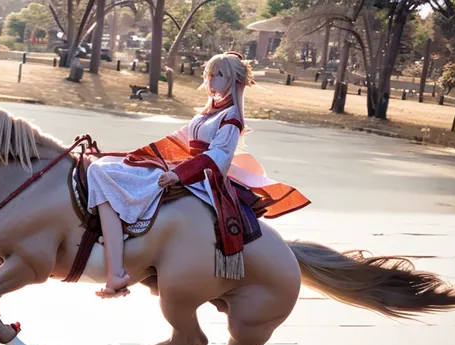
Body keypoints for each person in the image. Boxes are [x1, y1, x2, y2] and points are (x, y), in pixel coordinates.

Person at [86, 51, 309, 299]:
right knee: (104, 166)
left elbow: (218, 157)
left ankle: (116, 268)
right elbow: (174, 142)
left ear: (235, 81)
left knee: (101, 172)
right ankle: (117, 250)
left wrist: (179, 175)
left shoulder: (231, 118)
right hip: (183, 169)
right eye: (209, 74)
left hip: (202, 179)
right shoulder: (207, 113)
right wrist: (119, 155)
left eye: (218, 75)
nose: (211, 81)